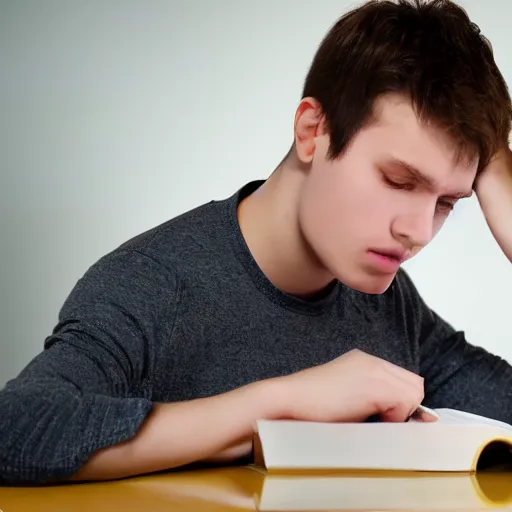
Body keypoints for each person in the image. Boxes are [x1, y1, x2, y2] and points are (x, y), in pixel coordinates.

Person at [1, 0, 512, 485]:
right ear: (313, 131)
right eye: (398, 181)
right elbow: (16, 432)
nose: (419, 231)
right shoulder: (154, 282)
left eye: (447, 202)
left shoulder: (391, 304)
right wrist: (281, 403)